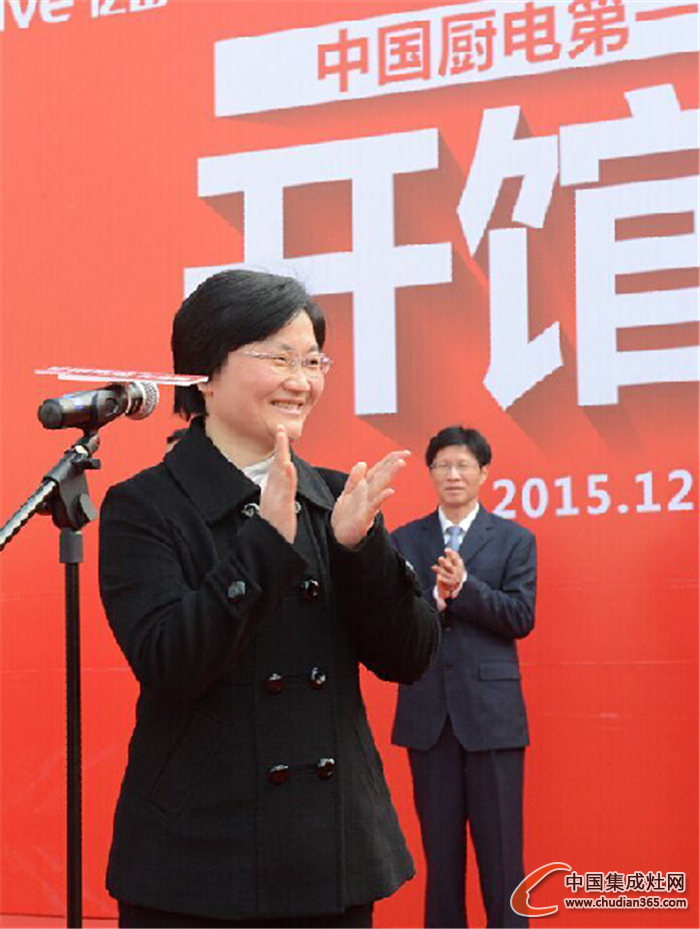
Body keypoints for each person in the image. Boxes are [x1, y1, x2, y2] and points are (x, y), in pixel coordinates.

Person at [99, 270, 440, 929]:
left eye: (313, 360)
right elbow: (171, 661)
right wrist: (263, 544)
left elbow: (412, 654)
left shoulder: (339, 498)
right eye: (278, 358)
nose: (302, 380)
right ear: (205, 372)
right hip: (197, 864)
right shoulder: (144, 506)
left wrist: (358, 549)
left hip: (329, 857)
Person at [391, 426, 537, 929]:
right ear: (430, 473)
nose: (453, 475)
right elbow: (390, 620)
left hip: (492, 720)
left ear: (483, 473)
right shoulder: (404, 539)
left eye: (463, 466)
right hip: (429, 718)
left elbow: (520, 616)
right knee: (442, 863)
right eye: (443, 466)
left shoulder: (514, 539)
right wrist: (431, 600)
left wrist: (465, 589)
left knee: (502, 864)